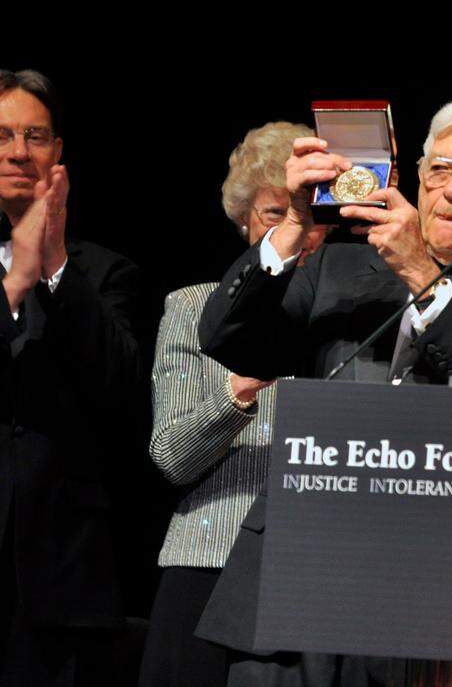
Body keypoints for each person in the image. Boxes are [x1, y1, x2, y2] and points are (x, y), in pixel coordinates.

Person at [194, 97, 452, 685]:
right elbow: (230, 340)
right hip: (291, 597)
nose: (451, 191)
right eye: (439, 170)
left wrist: (423, 278)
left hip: (424, 618)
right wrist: (294, 228)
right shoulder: (337, 271)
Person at [137, 122, 329, 687]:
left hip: (310, 572)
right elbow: (171, 458)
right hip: (208, 560)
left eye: (314, 221)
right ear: (246, 219)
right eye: (278, 215)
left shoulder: (343, 318)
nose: (304, 236)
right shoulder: (194, 308)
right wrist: (239, 389)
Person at [0, 69, 146, 685]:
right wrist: (12, 286)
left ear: (57, 152)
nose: (18, 151)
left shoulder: (107, 273)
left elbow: (123, 391)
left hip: (59, 582)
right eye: (2, 135)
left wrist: (54, 261)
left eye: (35, 135)